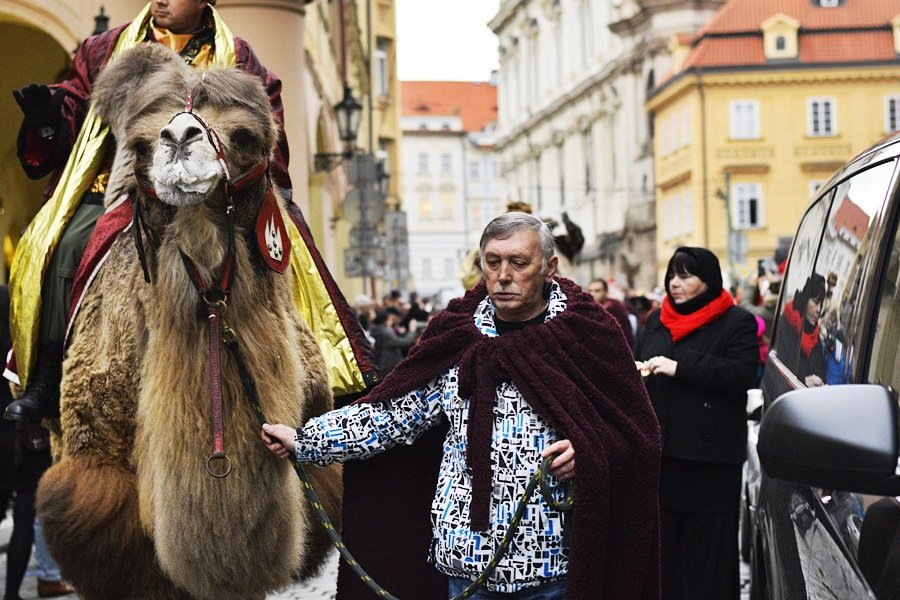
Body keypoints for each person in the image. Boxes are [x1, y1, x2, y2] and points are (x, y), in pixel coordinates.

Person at [6, 0, 376, 422]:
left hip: (211, 187)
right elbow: (75, 103)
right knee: (64, 245)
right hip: (122, 183)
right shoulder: (106, 47)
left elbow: (264, 115)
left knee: (284, 249)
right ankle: (48, 375)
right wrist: (48, 118)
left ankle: (312, 370)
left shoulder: (237, 54)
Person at [263, 212, 661, 599]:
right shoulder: (458, 335)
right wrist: (306, 441)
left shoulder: (585, 333)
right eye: (492, 262)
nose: (503, 275)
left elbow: (635, 429)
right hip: (468, 563)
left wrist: (589, 449)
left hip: (553, 566)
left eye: (518, 263)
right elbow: (390, 415)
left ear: (549, 267)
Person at [635, 247, 758, 600]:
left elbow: (740, 373)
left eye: (686, 275)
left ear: (709, 280)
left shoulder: (737, 321)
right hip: (662, 458)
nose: (675, 283)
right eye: (672, 275)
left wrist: (679, 366)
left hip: (709, 463)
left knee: (706, 558)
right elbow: (642, 359)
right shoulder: (657, 319)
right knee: (662, 555)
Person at [0, 285, 73, 600]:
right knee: (26, 516)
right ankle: (14, 593)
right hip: (23, 438)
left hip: (7, 438)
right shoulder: (19, 344)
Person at [775, 273, 827, 388]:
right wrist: (804, 380)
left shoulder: (817, 335)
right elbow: (783, 366)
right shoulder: (786, 323)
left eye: (821, 304)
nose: (819, 310)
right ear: (805, 299)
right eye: (815, 302)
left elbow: (821, 371)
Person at [587, 278, 636, 350]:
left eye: (597, 290)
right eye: (590, 291)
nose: (593, 294)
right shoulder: (587, 309)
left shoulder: (616, 309)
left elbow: (626, 336)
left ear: (606, 292)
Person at [369, 308, 418, 375]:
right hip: (389, 365)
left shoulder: (379, 330)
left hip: (386, 363)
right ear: (385, 321)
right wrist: (412, 331)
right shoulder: (385, 333)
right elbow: (404, 342)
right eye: (390, 319)